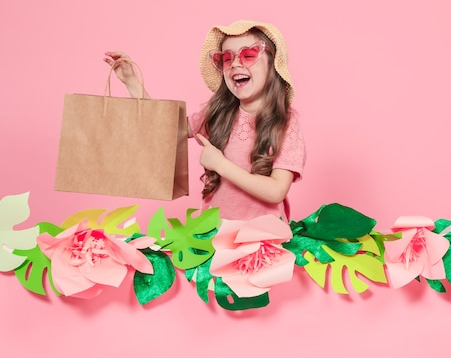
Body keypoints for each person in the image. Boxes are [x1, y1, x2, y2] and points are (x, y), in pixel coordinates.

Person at [104, 20, 306, 221]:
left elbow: (276, 191)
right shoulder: (219, 114)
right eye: (227, 58)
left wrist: (221, 164)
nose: (235, 63)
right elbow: (164, 128)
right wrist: (132, 82)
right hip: (214, 235)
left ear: (273, 66)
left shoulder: (285, 122)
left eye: (248, 55)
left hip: (262, 238)